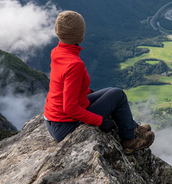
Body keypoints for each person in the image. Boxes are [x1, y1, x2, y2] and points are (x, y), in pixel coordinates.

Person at [44, 10, 154, 154]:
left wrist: (96, 97)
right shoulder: (74, 64)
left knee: (110, 92)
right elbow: (69, 108)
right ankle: (130, 140)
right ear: (79, 34)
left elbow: (66, 86)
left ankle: (132, 127)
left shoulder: (57, 51)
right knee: (117, 94)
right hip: (65, 125)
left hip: (53, 120)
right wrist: (100, 121)